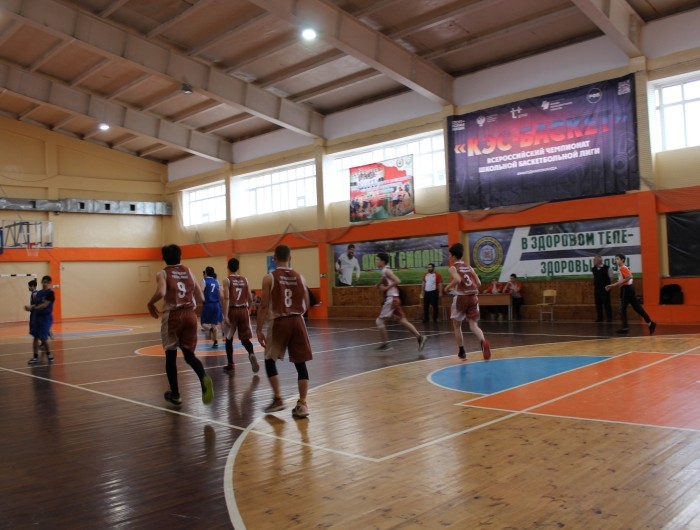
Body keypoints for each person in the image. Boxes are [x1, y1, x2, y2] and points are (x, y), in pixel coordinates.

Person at [147, 244, 214, 406]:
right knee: (189, 355)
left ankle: (176, 395)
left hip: (173, 316)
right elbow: (201, 298)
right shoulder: (189, 271)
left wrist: (150, 303)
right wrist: (190, 307)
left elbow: (162, 292)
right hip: (190, 315)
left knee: (170, 356)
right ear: (180, 256)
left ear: (163, 258)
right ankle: (203, 377)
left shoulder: (163, 273)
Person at [256, 245, 312, 418]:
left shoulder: (269, 278)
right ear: (290, 258)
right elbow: (306, 303)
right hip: (298, 321)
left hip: (280, 321)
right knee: (300, 364)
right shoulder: (300, 277)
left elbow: (263, 306)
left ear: (274, 258)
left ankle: (278, 398)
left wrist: (258, 329)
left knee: (269, 360)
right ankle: (302, 404)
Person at [444, 243, 491, 361]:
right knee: (473, 325)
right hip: (473, 297)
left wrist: (447, 287)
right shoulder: (469, 267)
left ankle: (462, 352)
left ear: (453, 256)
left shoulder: (453, 268)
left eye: (450, 255)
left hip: (461, 298)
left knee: (457, 325)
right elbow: (479, 283)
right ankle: (483, 342)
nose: (449, 257)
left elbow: (457, 279)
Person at [375, 251, 428, 352]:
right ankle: (420, 337)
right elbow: (384, 279)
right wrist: (378, 284)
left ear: (383, 261)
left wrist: (386, 288)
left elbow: (398, 280)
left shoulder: (386, 271)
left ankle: (386, 344)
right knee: (402, 320)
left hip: (391, 299)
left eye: (377, 260)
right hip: (395, 298)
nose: (376, 261)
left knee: (379, 321)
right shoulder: (385, 271)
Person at [221, 258, 260, 375]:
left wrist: (225, 315)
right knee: (245, 339)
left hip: (232, 310)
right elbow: (250, 298)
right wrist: (248, 308)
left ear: (228, 268)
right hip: (243, 310)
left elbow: (226, 298)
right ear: (238, 267)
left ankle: (231, 364)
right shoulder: (245, 279)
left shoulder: (227, 280)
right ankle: (251, 353)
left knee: (229, 339)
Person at [605, 254, 656, 335]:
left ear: (622, 260)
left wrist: (613, 285)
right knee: (637, 308)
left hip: (626, 289)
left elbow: (629, 277)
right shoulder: (623, 267)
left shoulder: (622, 268)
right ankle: (650, 323)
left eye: (617, 259)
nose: (616, 260)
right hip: (629, 289)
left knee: (622, 309)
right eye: (615, 259)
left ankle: (625, 328)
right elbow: (626, 278)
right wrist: (620, 283)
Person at [25, 275, 55, 364]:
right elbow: (37, 304)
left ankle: (49, 354)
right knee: (35, 337)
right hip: (37, 317)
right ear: (42, 282)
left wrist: (34, 308)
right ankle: (35, 357)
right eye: (44, 282)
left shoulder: (50, 293)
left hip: (46, 318)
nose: (45, 284)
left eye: (47, 282)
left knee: (43, 338)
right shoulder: (39, 293)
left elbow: (45, 305)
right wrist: (30, 307)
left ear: (49, 283)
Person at [200, 266, 223, 348]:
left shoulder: (204, 280)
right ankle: (215, 342)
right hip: (216, 305)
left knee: (203, 323)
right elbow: (221, 295)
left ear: (206, 273)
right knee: (214, 324)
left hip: (208, 304)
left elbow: (201, 291)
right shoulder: (217, 281)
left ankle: (210, 329)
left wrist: (201, 300)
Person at [591, 255, 613, 322]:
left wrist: (608, 286)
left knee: (606, 303)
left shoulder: (607, 268)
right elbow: (593, 277)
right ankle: (600, 318)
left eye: (595, 260)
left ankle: (609, 318)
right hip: (597, 288)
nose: (593, 261)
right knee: (598, 303)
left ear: (599, 261)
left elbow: (611, 278)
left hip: (605, 288)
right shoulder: (593, 269)